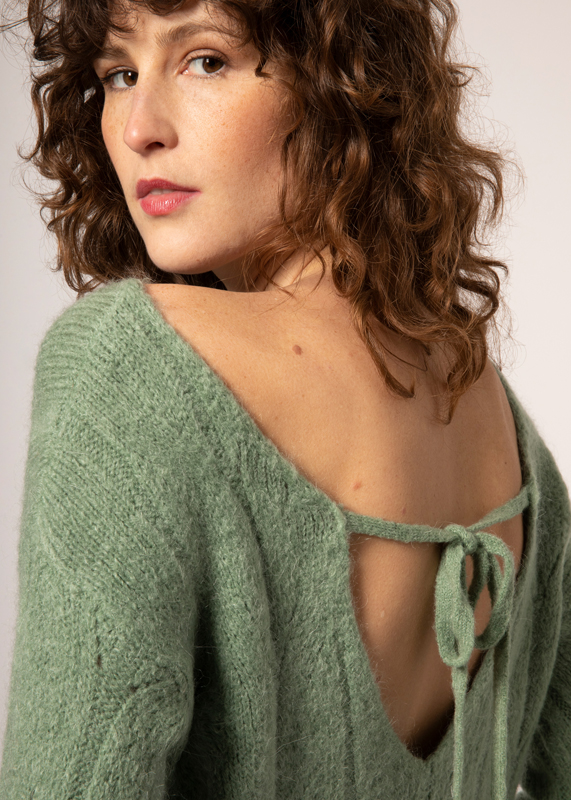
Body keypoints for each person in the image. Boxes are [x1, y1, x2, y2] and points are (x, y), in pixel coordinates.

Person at [0, 0, 569, 797]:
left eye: (205, 60)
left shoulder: (127, 366)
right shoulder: (487, 405)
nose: (138, 128)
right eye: (120, 74)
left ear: (344, 86)